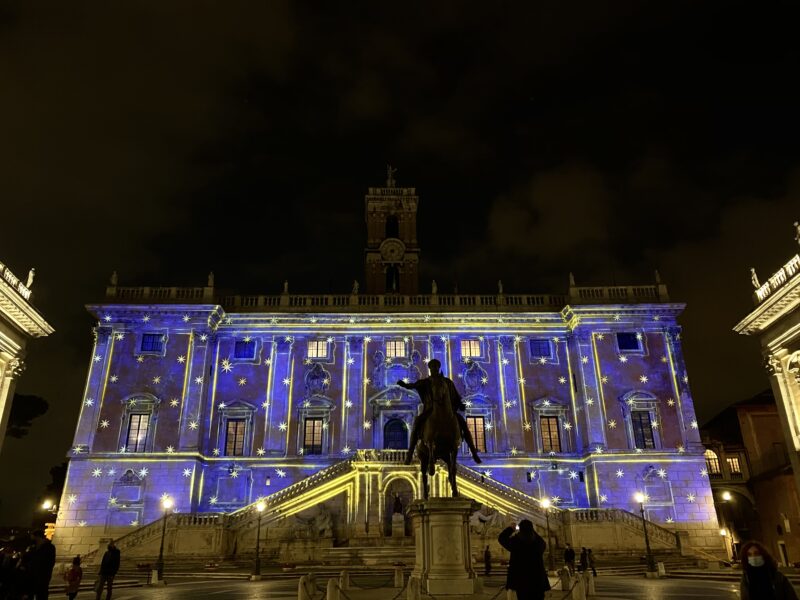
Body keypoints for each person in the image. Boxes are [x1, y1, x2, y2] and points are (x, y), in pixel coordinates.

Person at [397, 359, 482, 465]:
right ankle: (410, 454)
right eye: (432, 367)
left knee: (463, 424)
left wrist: (460, 405)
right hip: (430, 410)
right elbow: (413, 385)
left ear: (438, 368)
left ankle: (474, 452)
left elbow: (455, 395)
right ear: (430, 369)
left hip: (447, 410)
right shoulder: (426, 382)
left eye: (436, 367)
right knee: (417, 422)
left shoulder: (447, 382)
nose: (434, 369)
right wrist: (404, 385)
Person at [498, 520, 551, 600]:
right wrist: (532, 531)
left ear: (520, 529)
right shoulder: (538, 543)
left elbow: (501, 538)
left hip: (521, 581)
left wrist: (511, 529)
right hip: (537, 581)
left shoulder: (516, 542)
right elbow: (543, 542)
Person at [26, 530, 56, 599]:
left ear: (38, 537)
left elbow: (50, 563)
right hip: (31, 577)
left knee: (41, 595)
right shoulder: (33, 547)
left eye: (33, 537)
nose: (31, 539)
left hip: (42, 578)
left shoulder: (50, 547)